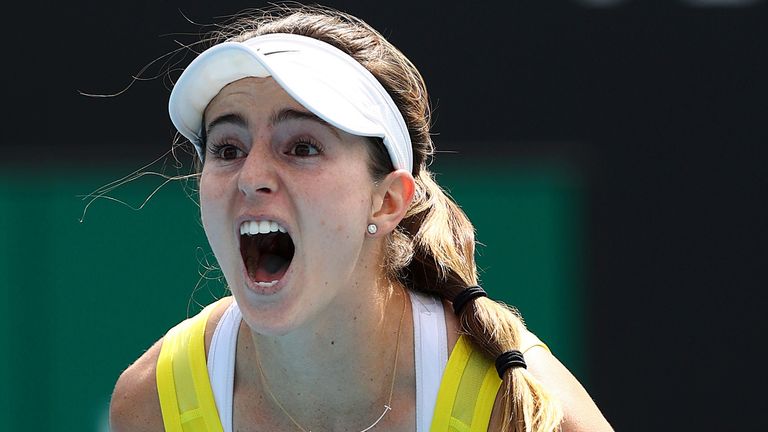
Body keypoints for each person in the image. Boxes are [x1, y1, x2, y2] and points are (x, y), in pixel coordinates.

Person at [109, 4, 613, 432]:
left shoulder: (524, 409)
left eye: (302, 147)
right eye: (227, 147)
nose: (250, 175)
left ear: (388, 201)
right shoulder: (151, 404)